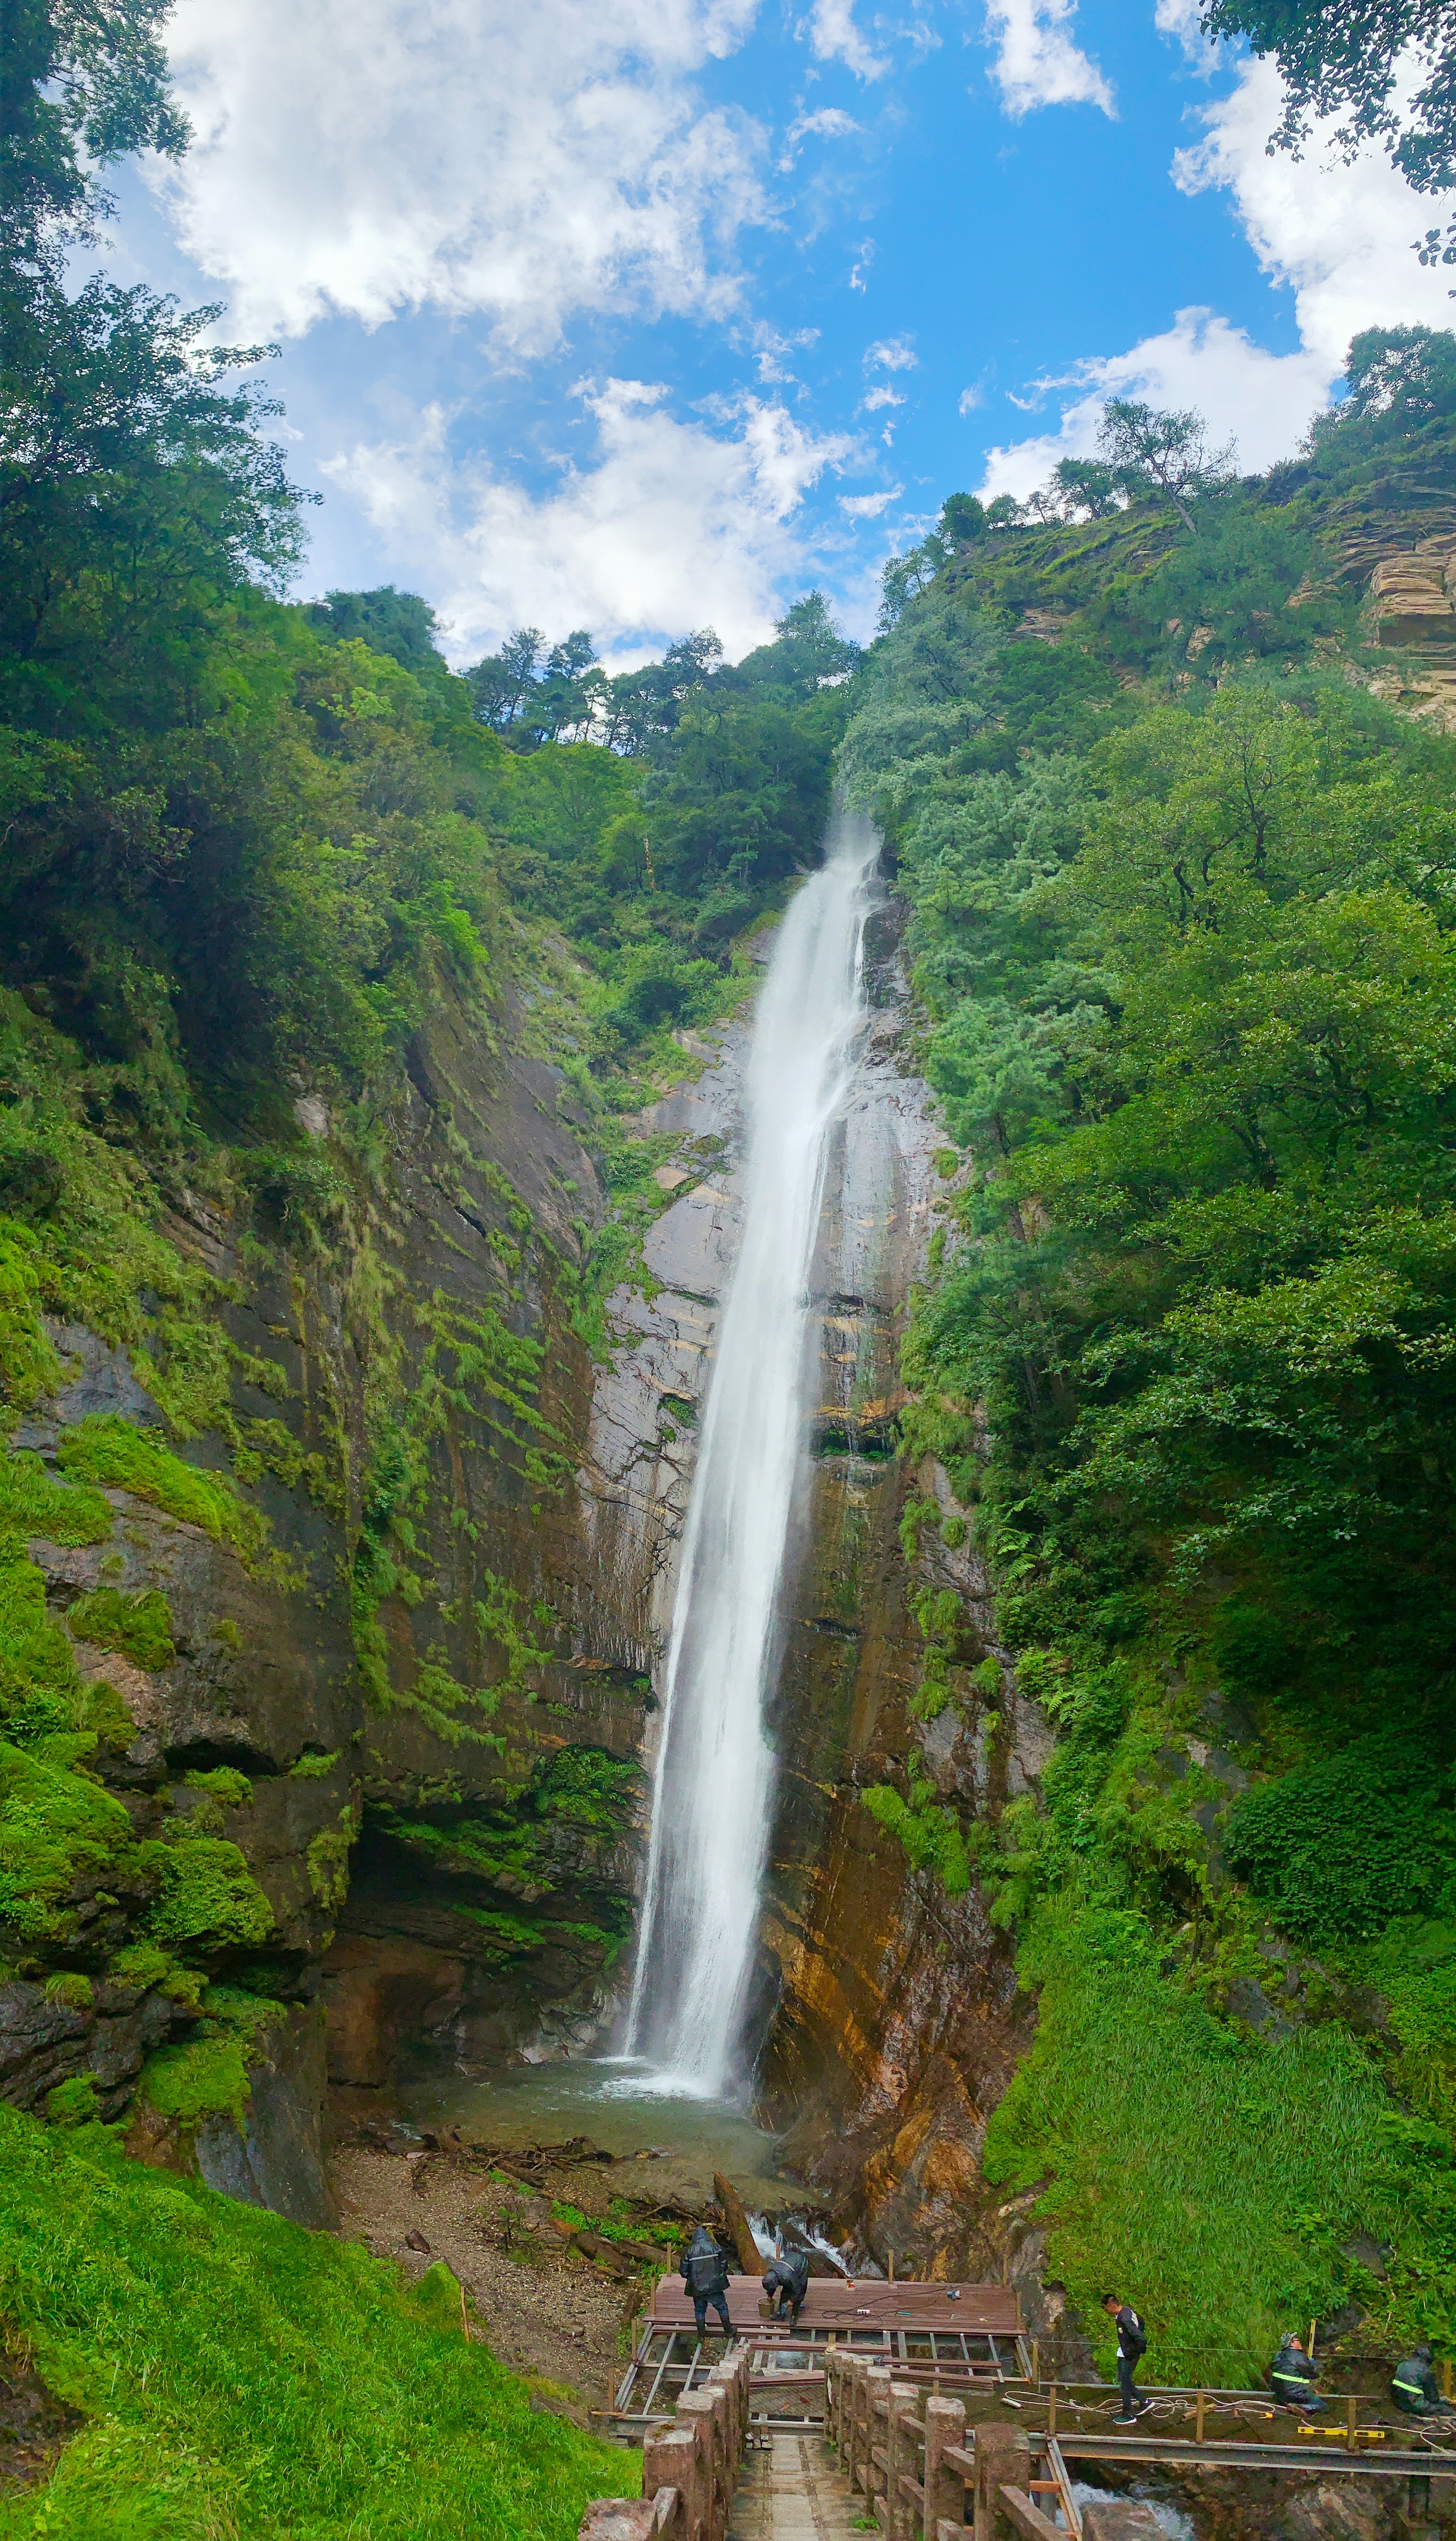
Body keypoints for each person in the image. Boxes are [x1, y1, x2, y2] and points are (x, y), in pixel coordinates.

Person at [683, 2224, 733, 2344]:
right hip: (715, 2286)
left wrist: (693, 2278)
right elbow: (724, 2265)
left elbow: (684, 2271)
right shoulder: (715, 2247)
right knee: (722, 2307)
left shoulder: (690, 2251)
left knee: (700, 2310)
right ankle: (728, 2330)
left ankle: (701, 2335)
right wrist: (717, 2275)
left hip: (697, 2287)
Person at [1103, 2294, 1149, 2422]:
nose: (1105, 2312)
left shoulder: (1124, 2319)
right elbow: (1141, 2321)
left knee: (1124, 2384)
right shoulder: (1127, 2311)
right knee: (1124, 2379)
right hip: (1125, 2351)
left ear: (1113, 2306)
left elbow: (1141, 2338)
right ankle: (1144, 2402)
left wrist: (1134, 2351)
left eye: (1106, 2308)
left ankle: (1128, 2415)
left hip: (1129, 2354)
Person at [1270, 2332, 1323, 2410]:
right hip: (1296, 2394)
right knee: (1321, 2405)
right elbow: (1313, 2374)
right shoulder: (1298, 2356)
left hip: (1279, 2394)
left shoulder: (1279, 2355)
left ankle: (1290, 2408)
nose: (1300, 2342)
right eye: (1297, 2340)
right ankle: (1298, 2407)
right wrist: (1313, 2363)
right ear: (1291, 2344)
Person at [1392, 2344, 1447, 2416]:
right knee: (1446, 2410)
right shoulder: (1426, 2372)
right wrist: (1442, 2400)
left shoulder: (1402, 2365)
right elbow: (1433, 2398)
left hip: (1399, 2403)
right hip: (1416, 2405)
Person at [762, 2246, 811, 2326]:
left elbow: (797, 2290)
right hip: (789, 2265)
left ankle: (794, 2316)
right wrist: (769, 2295)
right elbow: (771, 2285)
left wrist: (792, 2300)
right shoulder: (771, 2272)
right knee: (785, 2291)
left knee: (799, 2289)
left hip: (801, 2264)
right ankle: (781, 2314)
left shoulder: (787, 2277)